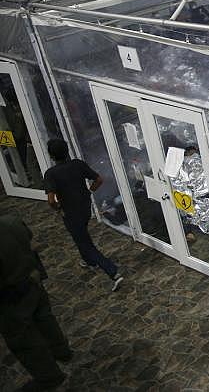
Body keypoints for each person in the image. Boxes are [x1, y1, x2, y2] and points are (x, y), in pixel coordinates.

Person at [1, 213, 72, 391]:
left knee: (23, 338)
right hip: (33, 281)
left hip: (11, 297)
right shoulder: (12, 221)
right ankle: (62, 350)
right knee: (45, 318)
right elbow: (29, 241)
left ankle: (49, 376)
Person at [43, 139, 123, 292]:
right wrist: (89, 191)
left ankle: (113, 272)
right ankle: (88, 261)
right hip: (85, 207)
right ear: (67, 151)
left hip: (70, 212)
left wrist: (58, 208)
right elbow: (98, 179)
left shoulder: (51, 174)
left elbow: (51, 200)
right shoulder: (78, 164)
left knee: (85, 242)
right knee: (80, 236)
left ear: (51, 156)